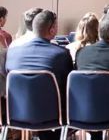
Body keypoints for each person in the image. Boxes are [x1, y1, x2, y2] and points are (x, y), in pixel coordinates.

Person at [6, 10, 73, 140]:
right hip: (52, 116)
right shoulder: (61, 54)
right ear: (52, 30)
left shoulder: (13, 52)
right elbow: (68, 85)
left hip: (16, 113)